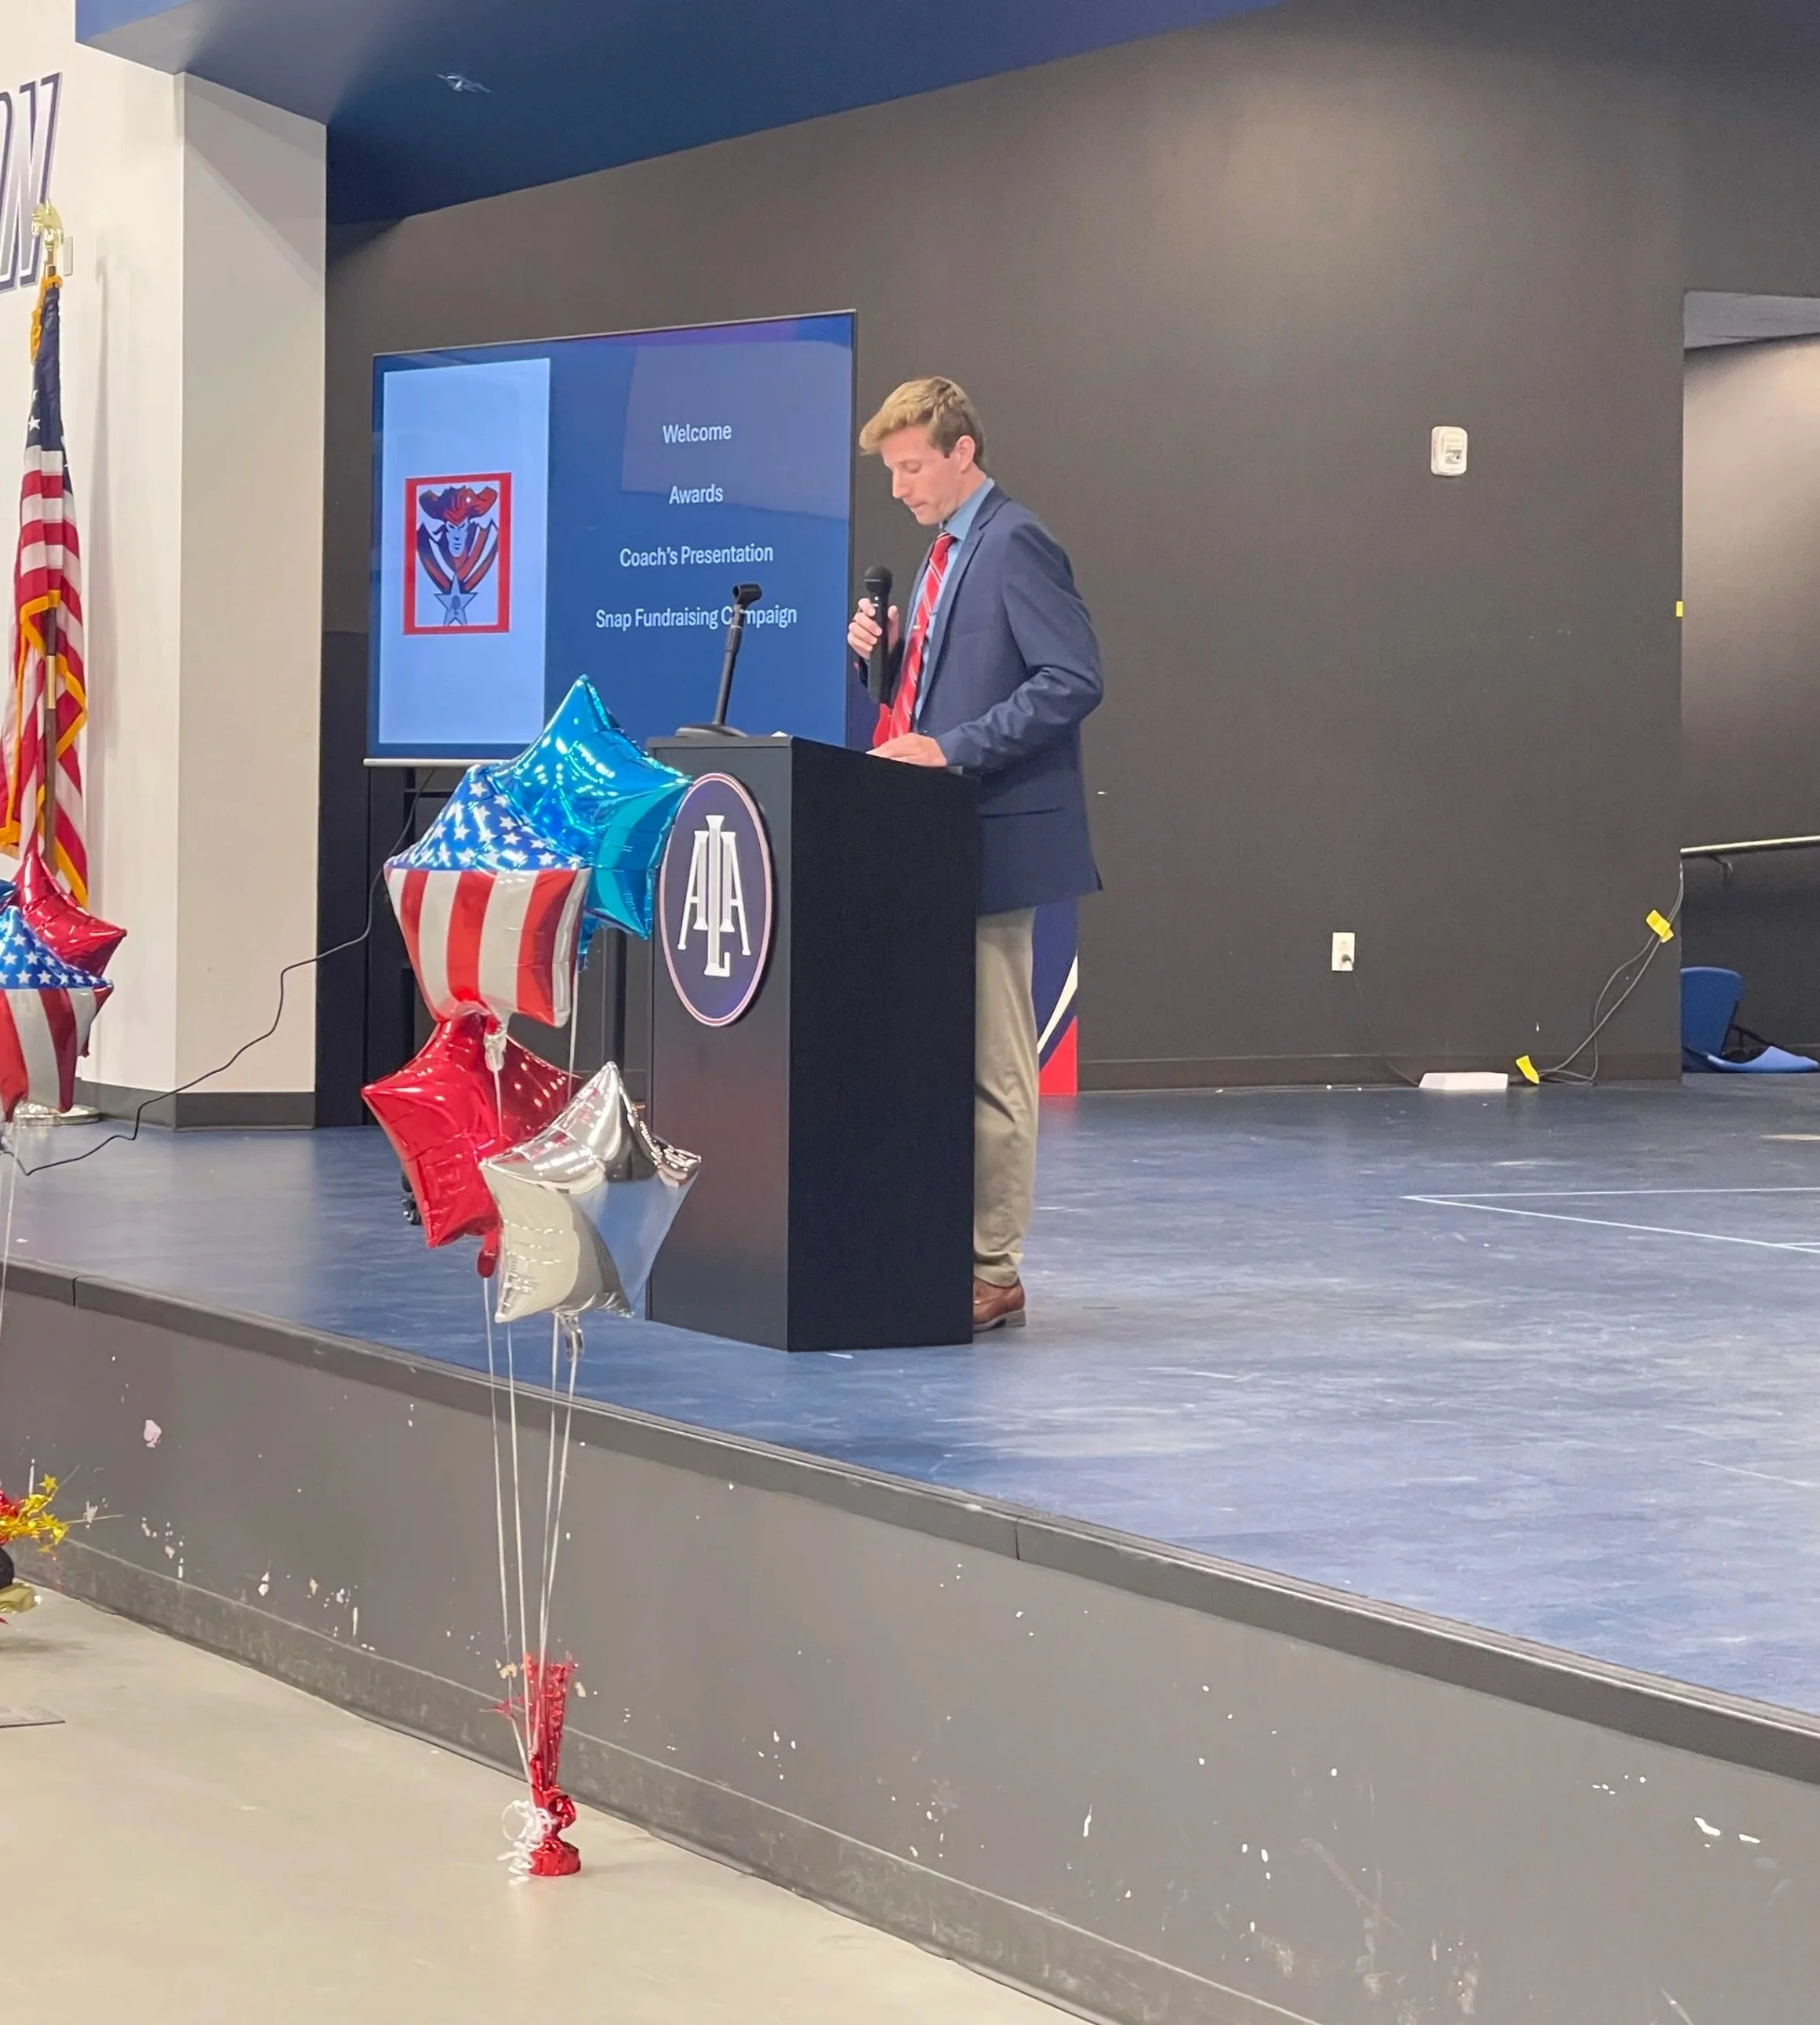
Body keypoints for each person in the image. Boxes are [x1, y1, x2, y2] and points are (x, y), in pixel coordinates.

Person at [848, 377, 1103, 1335]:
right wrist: (874, 656)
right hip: (931, 840)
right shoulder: (940, 554)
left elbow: (1072, 678)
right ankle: (938, 1245)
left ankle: (991, 1268)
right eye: (891, 471)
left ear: (962, 453)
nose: (899, 487)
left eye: (912, 467)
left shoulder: (1014, 541)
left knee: (995, 1063)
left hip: (992, 840)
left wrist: (953, 748)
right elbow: (926, 693)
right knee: (934, 1054)